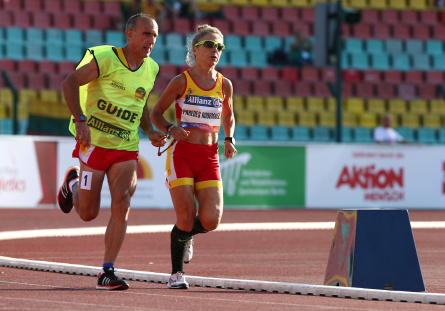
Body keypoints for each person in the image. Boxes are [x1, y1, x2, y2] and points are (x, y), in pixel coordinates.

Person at [57, 13, 167, 291]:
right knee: (88, 214)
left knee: (123, 201)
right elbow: (69, 83)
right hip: (93, 144)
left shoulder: (151, 68)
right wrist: (80, 120)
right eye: (145, 34)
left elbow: (139, 104)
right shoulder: (105, 58)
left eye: (154, 35)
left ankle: (107, 271)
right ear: (129, 34)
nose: (151, 40)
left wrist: (150, 130)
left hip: (125, 146)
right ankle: (72, 184)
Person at [150, 24, 236, 289]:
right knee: (186, 216)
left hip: (209, 157)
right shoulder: (181, 82)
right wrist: (170, 128)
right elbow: (156, 114)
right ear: (195, 49)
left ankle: (185, 236)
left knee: (211, 219)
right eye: (209, 45)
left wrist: (229, 138)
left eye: (219, 46)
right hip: (182, 155)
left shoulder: (225, 84)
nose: (215, 51)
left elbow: (229, 116)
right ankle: (176, 274)